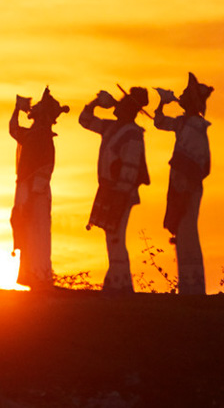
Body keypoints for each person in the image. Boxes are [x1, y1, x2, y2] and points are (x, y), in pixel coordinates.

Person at [79, 85, 150, 293]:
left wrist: (121, 193)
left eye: (122, 103)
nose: (117, 105)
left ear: (130, 109)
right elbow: (84, 120)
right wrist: (95, 102)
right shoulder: (110, 127)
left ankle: (119, 283)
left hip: (121, 192)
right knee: (111, 236)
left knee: (116, 235)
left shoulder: (133, 134)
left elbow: (130, 166)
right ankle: (119, 282)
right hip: (109, 189)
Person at [154, 72, 214, 295]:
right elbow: (160, 123)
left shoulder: (196, 126)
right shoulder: (183, 123)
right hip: (179, 182)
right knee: (182, 230)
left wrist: (186, 183)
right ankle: (187, 284)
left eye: (185, 95)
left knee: (188, 230)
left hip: (188, 185)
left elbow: (199, 162)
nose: (181, 96)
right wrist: (161, 103)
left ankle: (193, 285)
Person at [8, 87, 67, 290]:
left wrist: (34, 191)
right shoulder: (32, 135)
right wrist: (16, 109)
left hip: (36, 191)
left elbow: (46, 166)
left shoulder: (42, 137)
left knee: (38, 231)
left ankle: (40, 275)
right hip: (27, 188)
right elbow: (13, 129)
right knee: (28, 229)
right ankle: (32, 275)